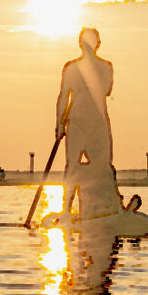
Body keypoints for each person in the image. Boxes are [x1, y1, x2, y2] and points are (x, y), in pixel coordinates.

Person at [56, 28, 123, 219]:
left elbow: (106, 90)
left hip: (98, 124)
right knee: (72, 167)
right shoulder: (71, 68)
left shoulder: (106, 67)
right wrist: (59, 124)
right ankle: (67, 211)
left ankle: (103, 206)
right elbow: (63, 97)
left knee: (103, 166)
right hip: (77, 123)